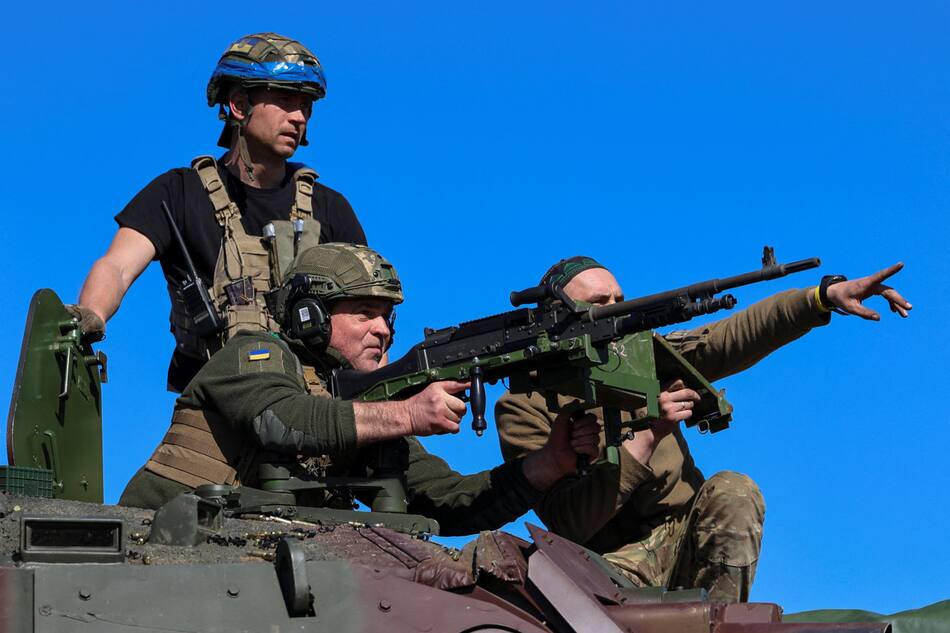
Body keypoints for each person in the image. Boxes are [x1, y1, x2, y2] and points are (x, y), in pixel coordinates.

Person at [495, 256, 911, 601]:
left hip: (683, 536)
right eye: (599, 302)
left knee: (734, 491)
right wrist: (648, 434)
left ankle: (720, 624)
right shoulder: (524, 405)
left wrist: (819, 299)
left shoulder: (641, 356)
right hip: (602, 565)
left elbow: (727, 338)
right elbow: (567, 522)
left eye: (620, 299)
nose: (615, 309)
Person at [119, 244, 600, 536]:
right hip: (153, 545)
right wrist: (407, 414)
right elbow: (284, 421)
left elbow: (447, 502)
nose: (383, 330)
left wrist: (548, 464)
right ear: (310, 316)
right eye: (364, 313)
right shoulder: (254, 355)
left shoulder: (366, 406)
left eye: (387, 316)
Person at [71, 33, 367, 392]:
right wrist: (90, 316)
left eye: (306, 105)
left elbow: (367, 316)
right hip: (215, 406)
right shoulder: (178, 192)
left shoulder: (329, 207)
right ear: (240, 104)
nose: (298, 116)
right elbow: (117, 266)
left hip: (314, 399)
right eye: (285, 99)